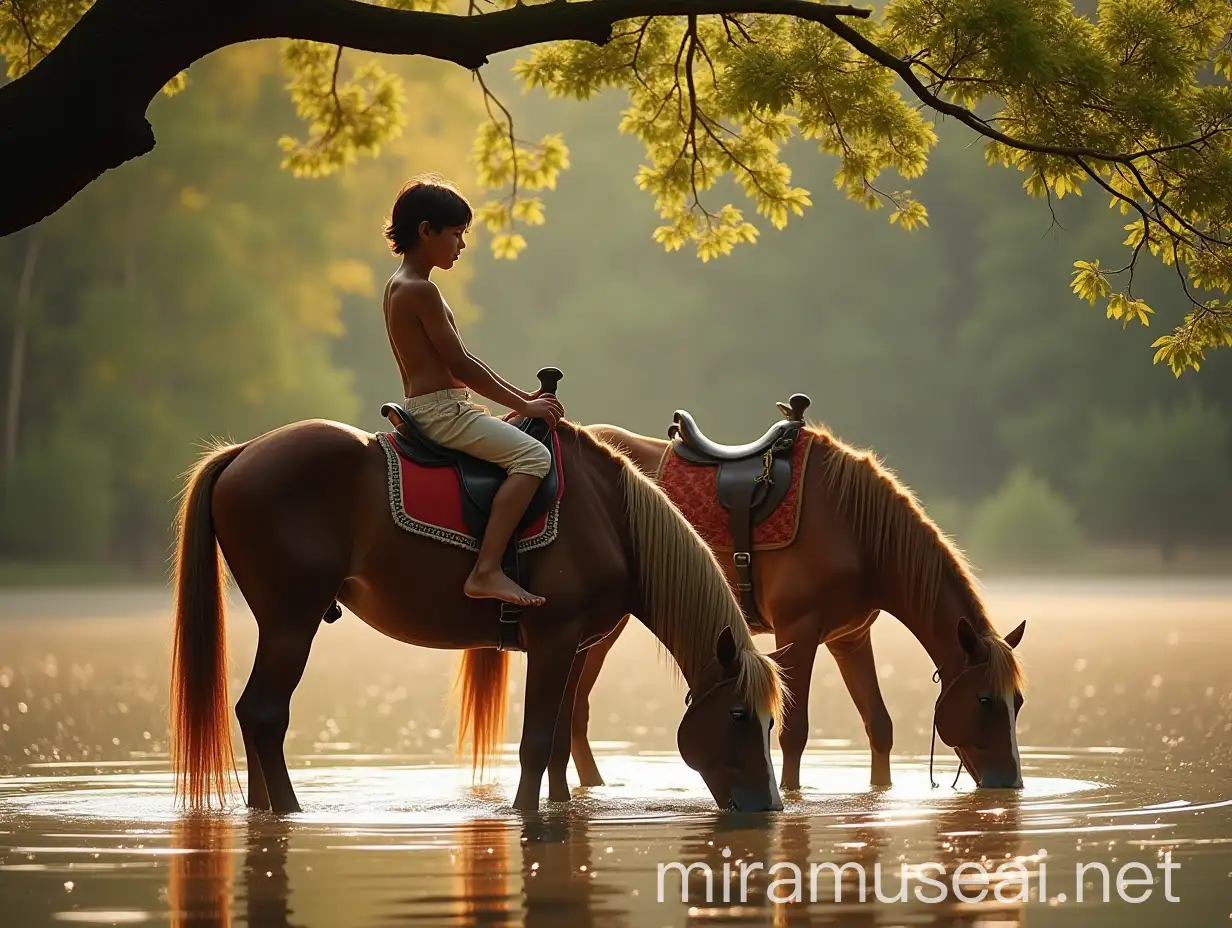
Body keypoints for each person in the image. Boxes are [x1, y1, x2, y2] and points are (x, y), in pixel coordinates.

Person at [381, 175, 564, 607]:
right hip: (443, 412)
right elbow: (461, 364)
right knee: (534, 456)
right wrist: (525, 403)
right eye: (457, 234)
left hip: (440, 406)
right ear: (426, 231)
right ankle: (486, 570)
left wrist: (526, 403)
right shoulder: (420, 290)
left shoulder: (400, 284)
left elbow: (462, 365)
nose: (461, 245)